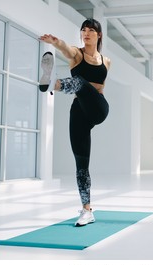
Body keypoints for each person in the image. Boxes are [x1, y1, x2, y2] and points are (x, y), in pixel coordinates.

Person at [39, 18, 110, 226]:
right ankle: (87, 210)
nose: (86, 33)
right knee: (81, 165)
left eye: (90, 30)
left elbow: (100, 87)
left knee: (80, 83)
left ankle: (54, 83)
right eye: (83, 30)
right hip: (79, 111)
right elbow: (66, 49)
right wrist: (55, 42)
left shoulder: (106, 61)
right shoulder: (77, 55)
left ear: (99, 35)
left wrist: (87, 93)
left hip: (98, 107)